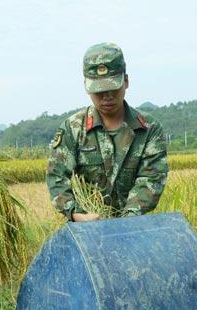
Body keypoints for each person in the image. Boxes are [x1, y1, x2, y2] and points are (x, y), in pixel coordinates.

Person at [46, 43, 169, 221]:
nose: (107, 97)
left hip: (133, 225)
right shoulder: (72, 129)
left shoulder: (148, 129)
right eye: (99, 91)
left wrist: (126, 220)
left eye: (113, 88)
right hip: (86, 228)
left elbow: (151, 180)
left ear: (126, 81)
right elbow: (56, 176)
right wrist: (76, 213)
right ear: (86, 86)